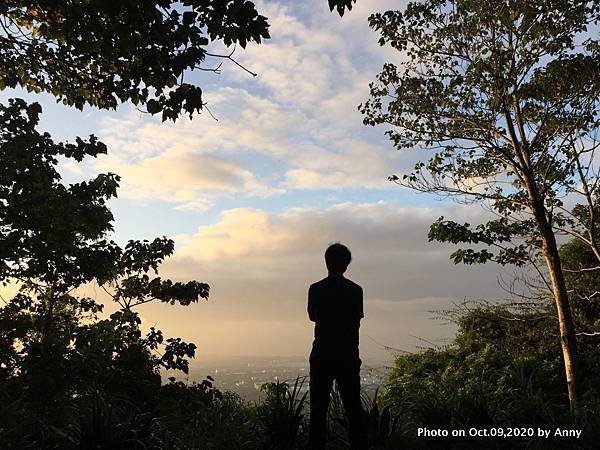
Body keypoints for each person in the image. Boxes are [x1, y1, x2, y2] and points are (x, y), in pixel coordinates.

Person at [307, 243, 367, 450]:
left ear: (326, 262)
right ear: (346, 265)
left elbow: (312, 316)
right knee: (352, 407)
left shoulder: (316, 289)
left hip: (322, 352)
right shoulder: (356, 291)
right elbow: (356, 319)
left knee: (318, 409)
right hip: (348, 353)